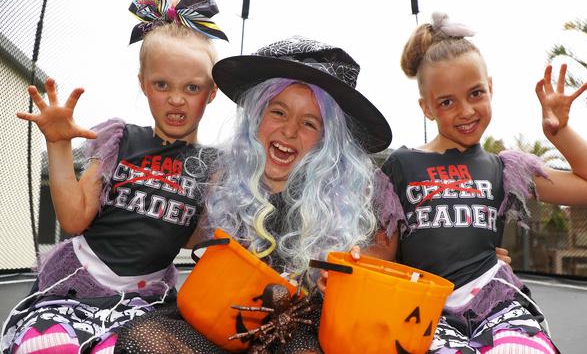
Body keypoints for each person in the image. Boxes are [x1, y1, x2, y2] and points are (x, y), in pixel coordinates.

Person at [115, 35, 395, 354]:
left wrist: (344, 281)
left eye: (309, 123)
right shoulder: (221, 175)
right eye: (278, 112)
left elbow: (372, 275)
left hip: (298, 330)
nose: (289, 131)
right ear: (256, 117)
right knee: (143, 338)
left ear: (326, 142)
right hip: (220, 318)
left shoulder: (343, 201)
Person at [376, 12, 587, 353]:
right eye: (447, 102)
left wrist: (560, 133)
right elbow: (383, 259)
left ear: (491, 88)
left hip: (494, 306)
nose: (466, 110)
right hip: (425, 311)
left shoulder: (503, 169)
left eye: (476, 93)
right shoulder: (401, 166)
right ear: (427, 108)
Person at [0, 0, 228, 352]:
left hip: (144, 302)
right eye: (161, 84)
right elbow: (75, 220)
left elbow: (192, 239)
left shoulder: (212, 165)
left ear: (212, 92)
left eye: (192, 87)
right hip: (77, 286)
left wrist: (226, 200)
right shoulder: (119, 139)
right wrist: (58, 146)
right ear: (143, 84)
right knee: (44, 347)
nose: (176, 98)